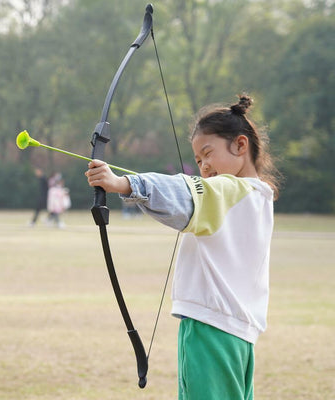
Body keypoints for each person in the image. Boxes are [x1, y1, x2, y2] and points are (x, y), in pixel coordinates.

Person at [85, 94, 280, 400]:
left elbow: (182, 195)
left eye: (208, 153)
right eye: (198, 160)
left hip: (211, 328)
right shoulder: (259, 196)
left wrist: (122, 184)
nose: (203, 166)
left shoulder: (229, 190)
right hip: (239, 335)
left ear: (241, 146)